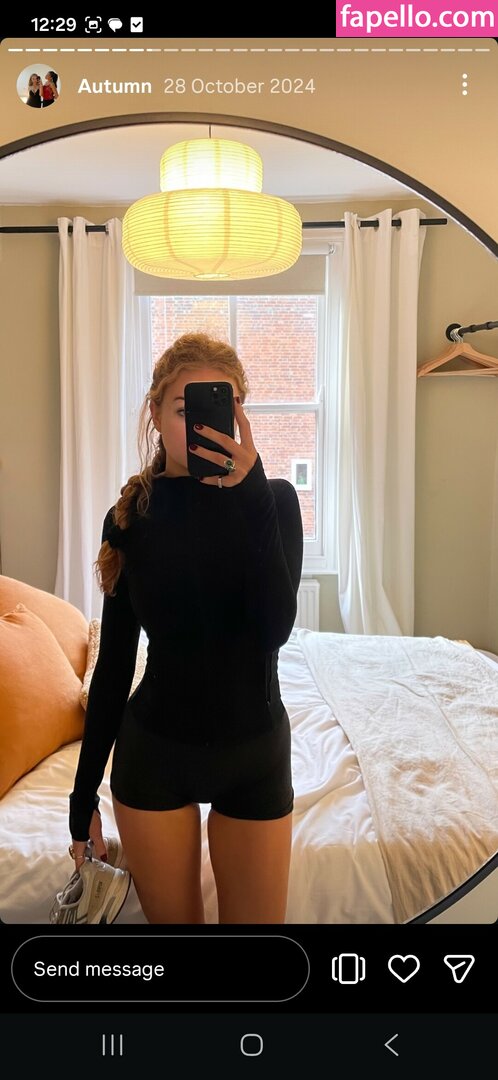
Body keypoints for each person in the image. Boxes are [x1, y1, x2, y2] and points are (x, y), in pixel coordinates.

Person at [69, 332, 304, 923]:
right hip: (154, 757)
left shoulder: (273, 501)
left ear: (239, 417)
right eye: (183, 409)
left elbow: (273, 630)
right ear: (155, 413)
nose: (200, 427)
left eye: (220, 409)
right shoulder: (131, 517)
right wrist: (82, 795)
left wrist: (251, 494)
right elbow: (114, 666)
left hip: (256, 755)